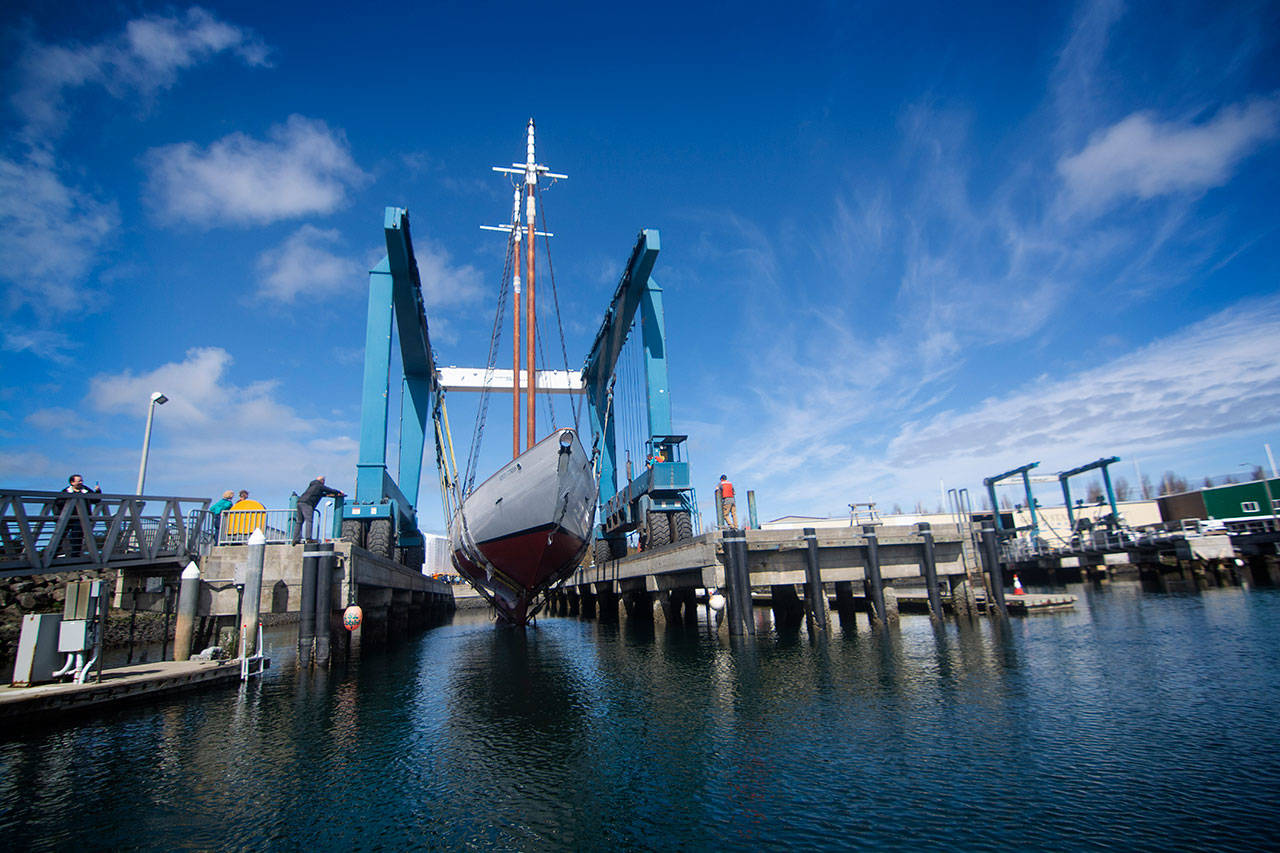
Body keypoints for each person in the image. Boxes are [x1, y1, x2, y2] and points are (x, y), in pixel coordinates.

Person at [292, 475, 345, 545]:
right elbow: (329, 490)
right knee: (309, 520)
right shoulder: (319, 486)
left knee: (299, 522)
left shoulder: (312, 486)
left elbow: (320, 493)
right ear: (322, 481)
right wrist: (338, 492)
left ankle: (295, 539)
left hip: (300, 502)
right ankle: (308, 538)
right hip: (307, 504)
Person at [59, 474, 101, 557]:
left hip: (81, 518)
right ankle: (52, 555)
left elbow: (96, 500)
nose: (81, 482)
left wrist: (98, 492)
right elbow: (59, 503)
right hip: (67, 518)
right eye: (79, 481)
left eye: (81, 480)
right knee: (60, 536)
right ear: (72, 482)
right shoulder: (66, 491)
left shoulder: (85, 490)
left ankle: (75, 556)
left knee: (77, 537)